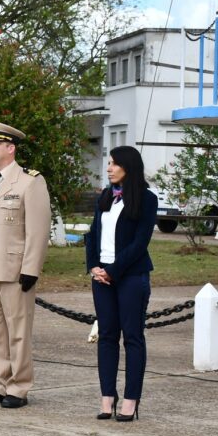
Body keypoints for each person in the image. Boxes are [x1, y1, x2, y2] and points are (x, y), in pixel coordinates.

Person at [0, 121, 52, 409]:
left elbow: (38, 230)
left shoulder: (30, 181)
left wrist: (31, 268)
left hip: (15, 271)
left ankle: (19, 387)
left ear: (11, 148)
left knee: (18, 332)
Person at [86, 146, 157, 422]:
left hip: (131, 277)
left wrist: (113, 271)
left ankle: (130, 400)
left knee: (132, 337)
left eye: (114, 164)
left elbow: (140, 243)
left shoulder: (147, 199)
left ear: (129, 166)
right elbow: (93, 234)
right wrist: (94, 266)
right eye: (109, 163)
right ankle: (107, 397)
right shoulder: (105, 196)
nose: (109, 168)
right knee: (106, 337)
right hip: (101, 277)